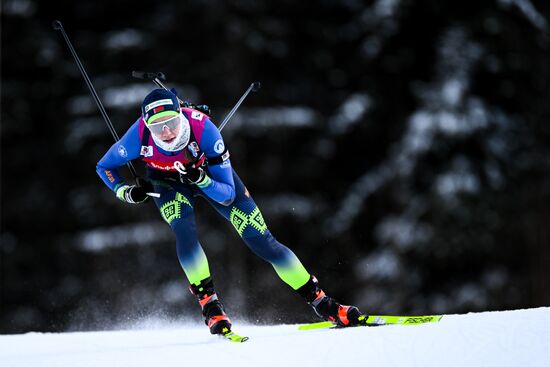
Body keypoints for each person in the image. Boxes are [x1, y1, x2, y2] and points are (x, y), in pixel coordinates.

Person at [96, 88, 367, 335]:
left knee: (264, 242)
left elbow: (226, 195)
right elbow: (104, 167)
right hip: (166, 183)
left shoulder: (206, 131)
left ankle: (324, 304)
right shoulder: (137, 136)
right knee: (184, 231)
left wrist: (200, 178)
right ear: (146, 125)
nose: (166, 132)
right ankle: (210, 306)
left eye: (172, 123)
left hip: (211, 178)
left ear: (182, 116)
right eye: (157, 127)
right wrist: (126, 191)